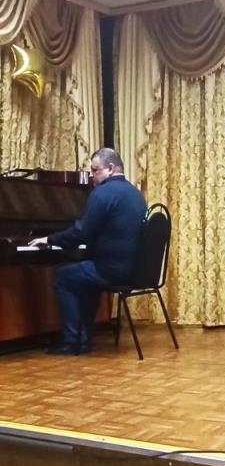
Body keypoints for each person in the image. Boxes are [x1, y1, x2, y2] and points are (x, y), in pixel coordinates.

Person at [29, 148, 147, 355]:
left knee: (63, 277)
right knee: (84, 279)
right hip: (133, 269)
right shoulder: (135, 193)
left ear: (111, 168)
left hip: (111, 271)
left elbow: (80, 232)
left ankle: (71, 342)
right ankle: (83, 339)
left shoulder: (102, 193)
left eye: (95, 170)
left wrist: (49, 239)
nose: (91, 175)